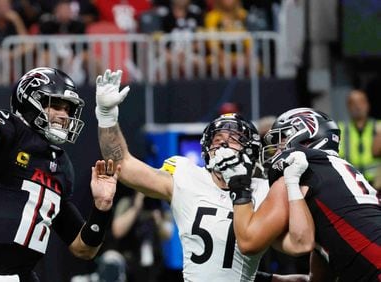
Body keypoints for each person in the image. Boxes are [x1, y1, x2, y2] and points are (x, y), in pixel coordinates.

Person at [0, 7, 119, 281]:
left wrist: (102, 209)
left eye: (68, 109)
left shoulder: (61, 166)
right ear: (28, 101)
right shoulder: (11, 131)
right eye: (55, 104)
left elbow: (83, 249)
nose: (63, 115)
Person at [94, 69, 309, 281]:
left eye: (233, 139)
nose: (223, 144)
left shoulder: (264, 190)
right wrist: (106, 117)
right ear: (206, 150)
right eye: (217, 140)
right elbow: (123, 165)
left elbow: (297, 243)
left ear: (250, 150)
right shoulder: (187, 176)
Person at [225, 107, 381, 281]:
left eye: (282, 140)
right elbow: (319, 278)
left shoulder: (299, 168)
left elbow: (249, 242)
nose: (276, 150)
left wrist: (239, 185)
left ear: (306, 134)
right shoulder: (334, 169)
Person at [338, 89, 381, 186]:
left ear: (368, 105)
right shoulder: (339, 130)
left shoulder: (379, 127)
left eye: (361, 102)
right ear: (348, 107)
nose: (358, 106)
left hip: (376, 184)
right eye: (353, 103)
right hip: (351, 184)